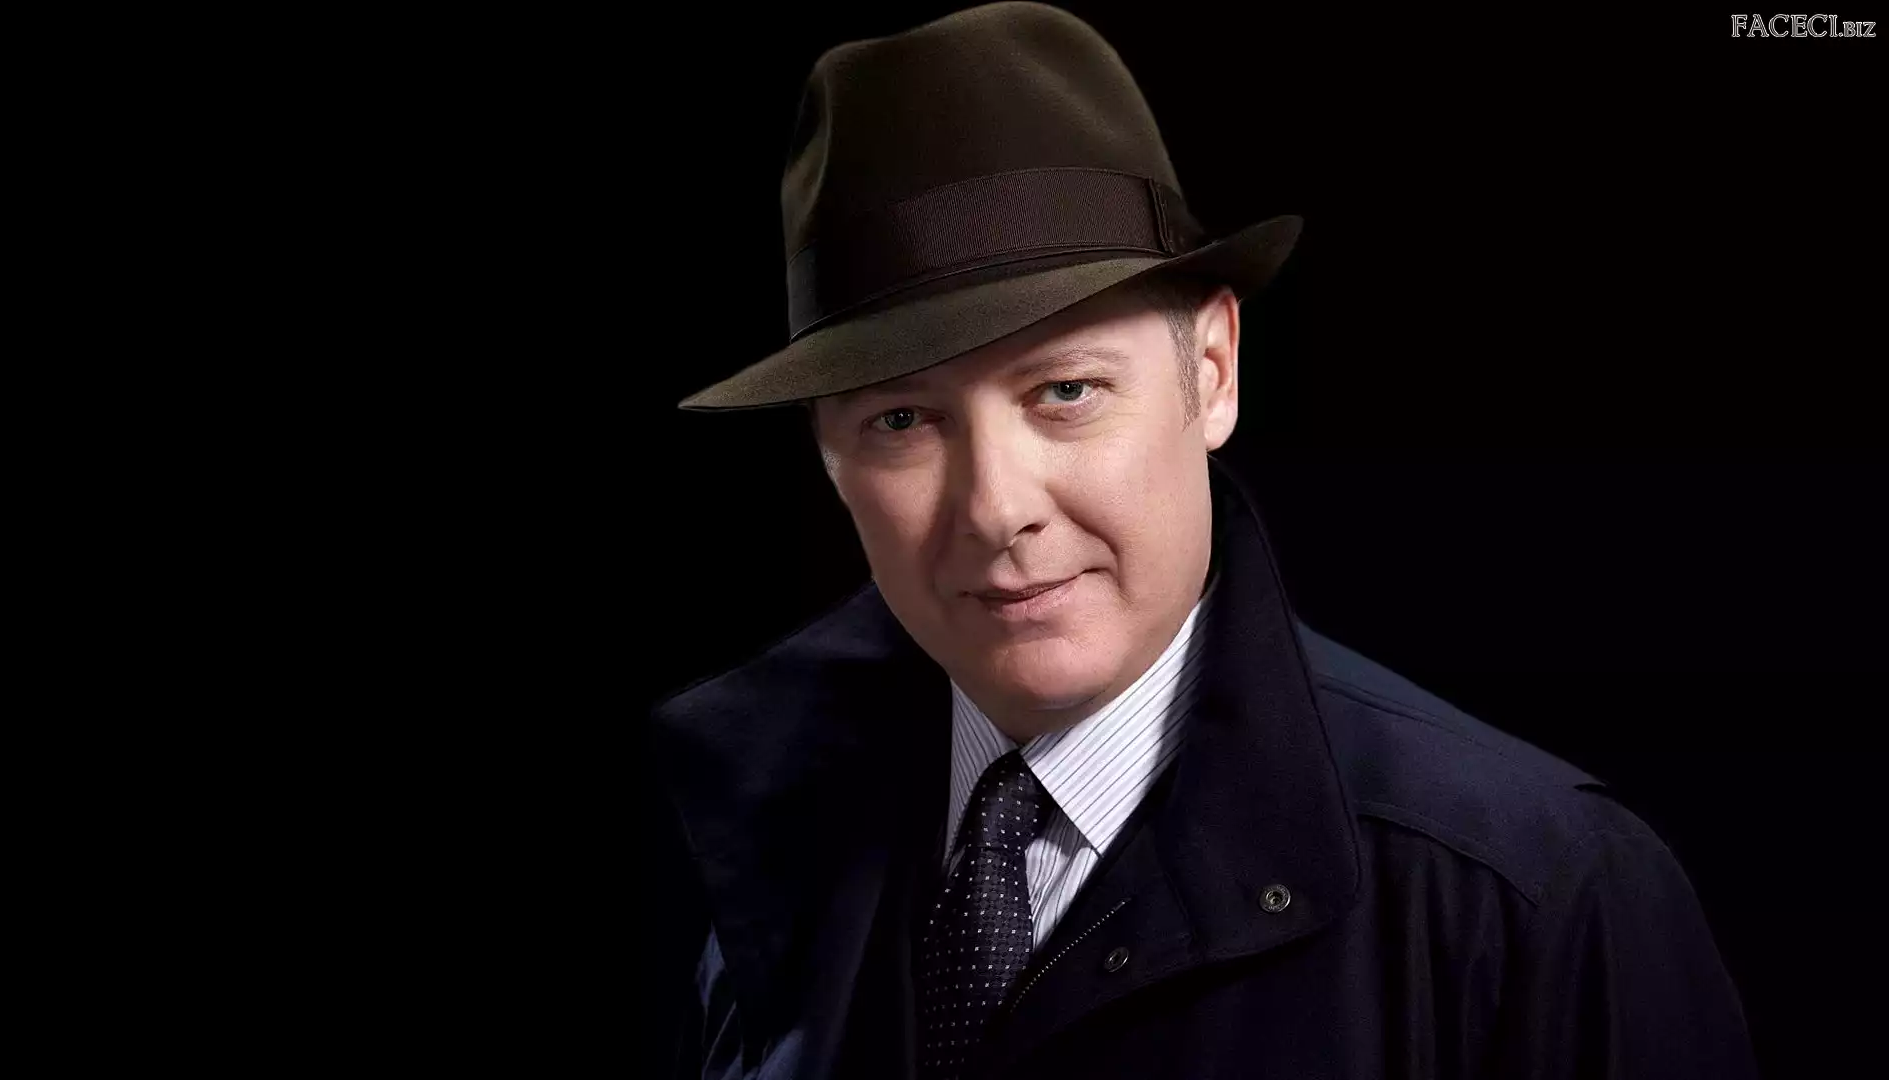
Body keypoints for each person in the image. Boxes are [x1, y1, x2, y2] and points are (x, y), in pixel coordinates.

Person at [647, 4, 1757, 1077]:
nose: (994, 507)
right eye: (901, 420)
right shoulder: (776, 862)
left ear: (1213, 372)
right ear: (828, 454)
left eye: (1066, 391)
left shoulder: (1533, 900)